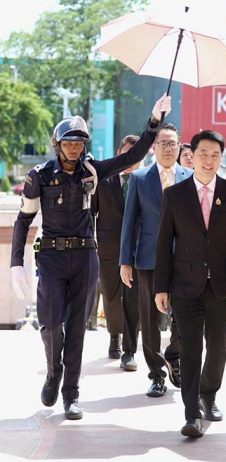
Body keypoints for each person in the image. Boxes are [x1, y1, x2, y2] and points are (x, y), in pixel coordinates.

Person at [10, 95, 170, 420]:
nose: (74, 148)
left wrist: (154, 122)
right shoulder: (40, 176)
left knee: (77, 329)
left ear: (84, 145)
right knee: (51, 325)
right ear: (57, 144)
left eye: (79, 143)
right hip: (51, 257)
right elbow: (24, 219)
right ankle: (53, 371)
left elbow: (134, 155)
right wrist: (16, 262)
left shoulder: (93, 171)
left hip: (85, 256)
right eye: (68, 143)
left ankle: (71, 395)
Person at [154, 130, 226, 438]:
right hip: (185, 285)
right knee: (190, 348)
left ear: (221, 158)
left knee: (218, 346)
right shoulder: (175, 195)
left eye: (215, 155)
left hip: (223, 286)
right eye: (203, 154)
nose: (209, 161)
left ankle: (209, 394)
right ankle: (191, 414)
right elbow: (164, 243)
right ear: (192, 156)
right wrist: (161, 286)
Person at [120, 123, 193, 397]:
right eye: (163, 143)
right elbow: (130, 223)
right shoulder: (140, 178)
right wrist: (125, 261)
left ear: (179, 146)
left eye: (173, 143)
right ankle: (156, 375)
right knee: (149, 320)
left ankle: (173, 356)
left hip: (184, 259)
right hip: (148, 259)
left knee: (184, 315)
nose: (168, 148)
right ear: (154, 147)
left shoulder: (191, 177)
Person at [92, 134, 141, 369]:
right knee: (111, 294)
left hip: (139, 248)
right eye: (127, 154)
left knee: (134, 298)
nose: (131, 160)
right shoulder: (104, 179)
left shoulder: (146, 180)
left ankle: (130, 346)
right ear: (119, 153)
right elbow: (91, 212)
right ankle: (114, 337)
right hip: (109, 247)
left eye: (136, 155)